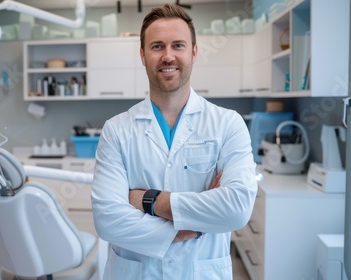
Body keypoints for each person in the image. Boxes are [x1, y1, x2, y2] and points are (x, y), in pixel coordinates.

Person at [91, 3, 258, 279]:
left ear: (193, 52)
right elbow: (108, 221)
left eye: (178, 45)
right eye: (157, 47)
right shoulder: (117, 130)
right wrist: (195, 226)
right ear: (143, 55)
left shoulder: (228, 124)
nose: (168, 56)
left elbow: (237, 209)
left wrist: (149, 201)